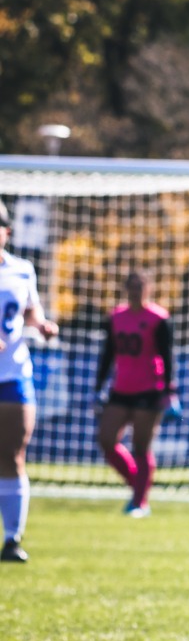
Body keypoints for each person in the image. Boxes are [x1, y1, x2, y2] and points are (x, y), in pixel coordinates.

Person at [0, 199, 59, 563]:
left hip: (12, 374)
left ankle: (12, 539)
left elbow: (30, 310)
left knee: (12, 454)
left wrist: (42, 324)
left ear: (7, 232)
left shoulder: (21, 270)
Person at [95, 269, 175, 518]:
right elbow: (108, 353)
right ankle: (138, 484)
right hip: (121, 388)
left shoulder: (158, 318)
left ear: (148, 289)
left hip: (149, 390)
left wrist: (170, 391)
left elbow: (167, 356)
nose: (135, 292)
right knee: (106, 439)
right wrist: (98, 386)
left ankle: (140, 502)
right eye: (131, 286)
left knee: (141, 446)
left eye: (140, 286)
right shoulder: (116, 317)